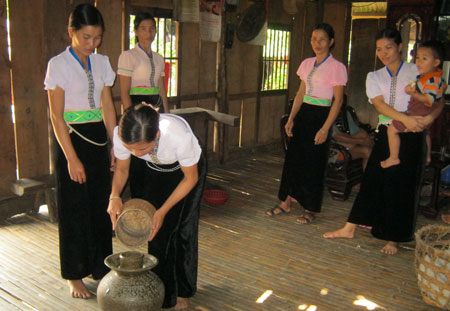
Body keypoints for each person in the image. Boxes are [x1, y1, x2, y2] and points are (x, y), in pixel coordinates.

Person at [323, 28, 445, 255]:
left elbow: (437, 99)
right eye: (379, 49)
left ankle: (394, 238)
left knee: (403, 188)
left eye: (389, 47)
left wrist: (428, 118)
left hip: (414, 135)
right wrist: (404, 119)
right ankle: (350, 227)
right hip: (388, 131)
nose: (384, 53)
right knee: (371, 180)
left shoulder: (417, 70)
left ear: (400, 47)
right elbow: (379, 105)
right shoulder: (375, 76)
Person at [44, 4, 116, 298]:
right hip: (71, 140)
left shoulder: (102, 63)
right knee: (74, 208)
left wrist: (115, 145)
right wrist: (72, 159)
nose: (92, 44)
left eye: (97, 38)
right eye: (86, 37)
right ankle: (74, 274)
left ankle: (100, 267)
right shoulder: (58, 65)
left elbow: (108, 107)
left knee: (100, 204)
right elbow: (56, 116)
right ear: (71, 32)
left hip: (98, 138)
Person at [107, 105, 206, 309]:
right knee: (156, 230)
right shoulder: (123, 134)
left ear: (158, 134)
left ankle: (183, 290)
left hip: (185, 172)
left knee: (181, 229)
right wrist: (114, 195)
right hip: (152, 168)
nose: (135, 152)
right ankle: (162, 292)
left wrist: (163, 210)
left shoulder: (178, 136)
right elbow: (123, 169)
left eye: (141, 148)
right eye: (130, 148)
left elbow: (190, 178)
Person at [265, 23, 347, 224]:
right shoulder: (307, 63)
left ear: (331, 42)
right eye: (313, 38)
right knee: (293, 159)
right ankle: (285, 202)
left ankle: (311, 208)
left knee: (314, 163)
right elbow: (301, 93)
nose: (316, 43)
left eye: (321, 39)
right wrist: (292, 117)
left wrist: (325, 128)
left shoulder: (337, 67)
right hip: (304, 114)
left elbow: (338, 100)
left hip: (321, 116)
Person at [381, 40, 447, 168]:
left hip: (419, 113)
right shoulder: (427, 77)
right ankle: (427, 156)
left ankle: (393, 157)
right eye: (417, 58)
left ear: (436, 62)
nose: (419, 61)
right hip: (423, 114)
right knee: (426, 133)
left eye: (424, 59)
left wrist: (413, 93)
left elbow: (429, 100)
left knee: (392, 130)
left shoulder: (432, 79)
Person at [117, 12, 169, 113]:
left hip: (156, 105)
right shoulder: (128, 56)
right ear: (136, 31)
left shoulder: (159, 59)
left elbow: (162, 90)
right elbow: (124, 92)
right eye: (143, 29)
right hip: (137, 106)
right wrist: (130, 115)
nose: (148, 33)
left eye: (152, 29)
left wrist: (167, 113)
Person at [332, 103, 373, 170]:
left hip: (341, 147)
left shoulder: (333, 117)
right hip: (334, 153)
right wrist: (360, 141)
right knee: (363, 138)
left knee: (368, 149)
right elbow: (337, 137)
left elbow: (340, 135)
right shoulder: (325, 117)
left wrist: (361, 140)